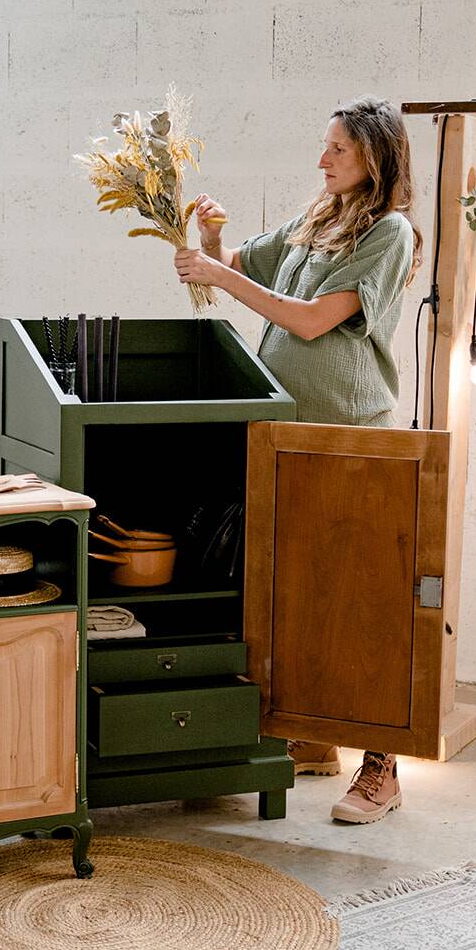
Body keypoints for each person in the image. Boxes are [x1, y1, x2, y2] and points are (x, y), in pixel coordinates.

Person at [173, 95, 422, 824]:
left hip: (346, 435)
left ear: (373, 156)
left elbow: (312, 320)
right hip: (284, 429)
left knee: (359, 599)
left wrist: (220, 278)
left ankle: (383, 768)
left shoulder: (389, 232)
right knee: (291, 588)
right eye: (324, 147)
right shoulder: (317, 219)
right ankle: (313, 741)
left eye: (336, 149)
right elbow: (228, 267)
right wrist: (212, 239)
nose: (322, 160)